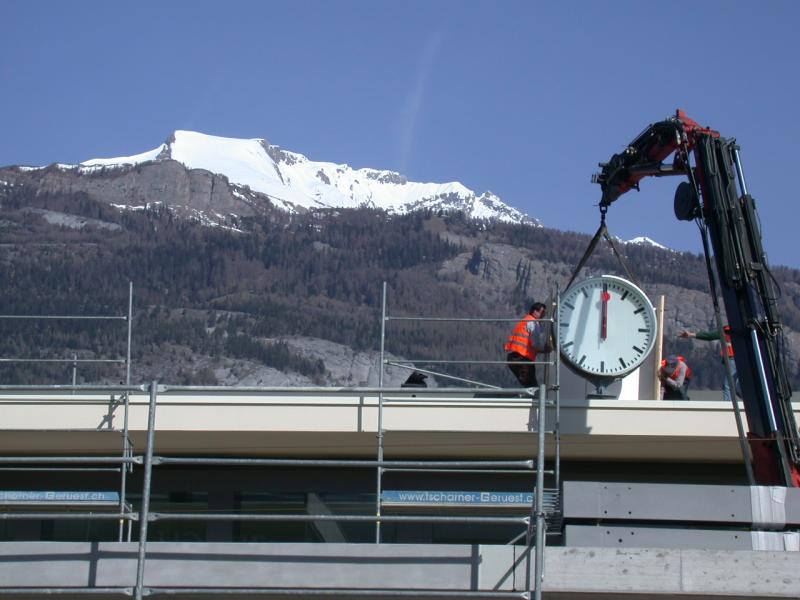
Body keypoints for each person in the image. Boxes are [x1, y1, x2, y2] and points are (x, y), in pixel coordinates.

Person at [679, 326, 740, 402]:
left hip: (732, 359)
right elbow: (709, 336)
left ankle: (728, 405)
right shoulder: (730, 330)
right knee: (736, 386)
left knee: (728, 385)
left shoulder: (727, 330)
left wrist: (690, 335)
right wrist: (691, 335)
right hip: (736, 360)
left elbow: (709, 336)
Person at [505, 302, 549, 389]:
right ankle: (535, 400)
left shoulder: (526, 320)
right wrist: (545, 350)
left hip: (514, 357)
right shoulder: (533, 323)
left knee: (529, 385)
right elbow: (535, 344)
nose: (543, 315)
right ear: (534, 311)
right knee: (532, 386)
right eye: (542, 312)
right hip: (523, 358)